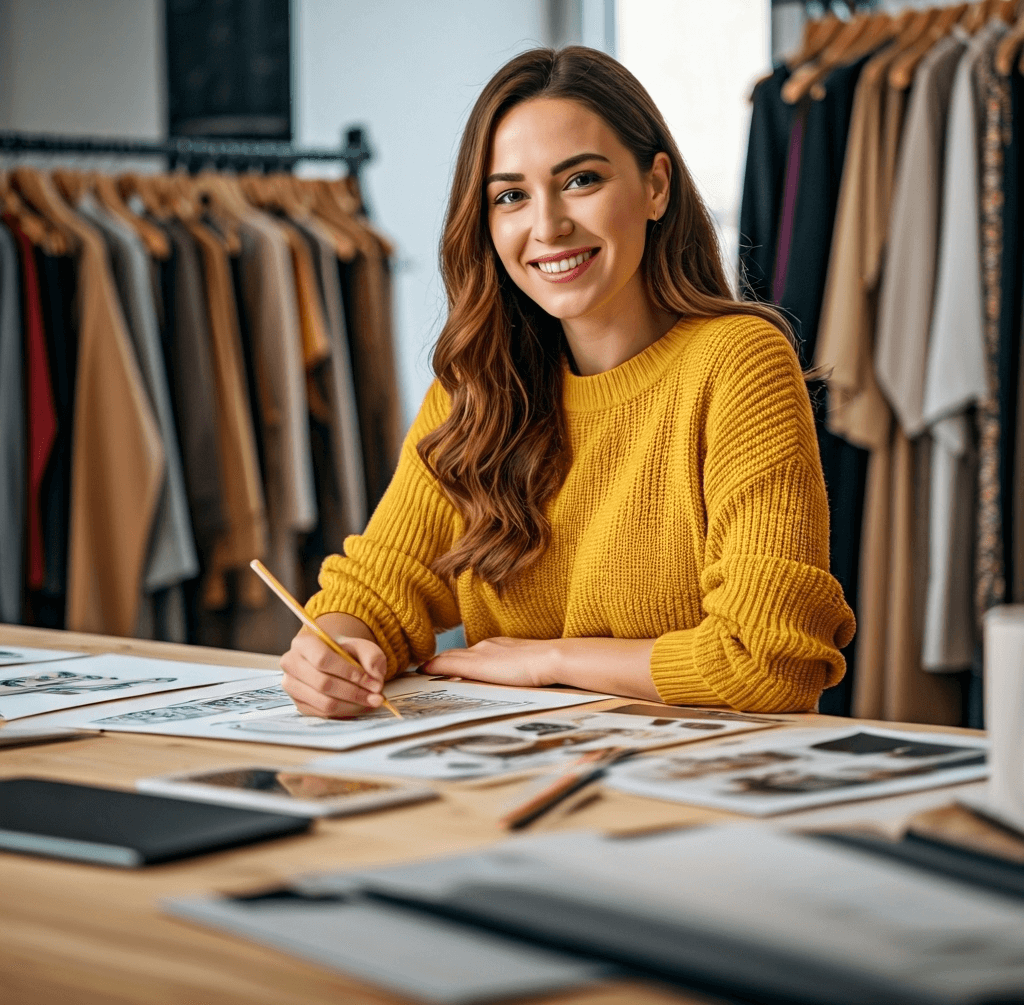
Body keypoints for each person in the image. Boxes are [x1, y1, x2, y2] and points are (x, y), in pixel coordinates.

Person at [280, 46, 855, 718]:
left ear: (656, 186)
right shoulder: (479, 388)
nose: (547, 226)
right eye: (512, 195)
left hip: (703, 793)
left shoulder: (738, 362)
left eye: (581, 181)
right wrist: (333, 651)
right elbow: (378, 589)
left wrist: (547, 659)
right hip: (518, 781)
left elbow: (772, 663)